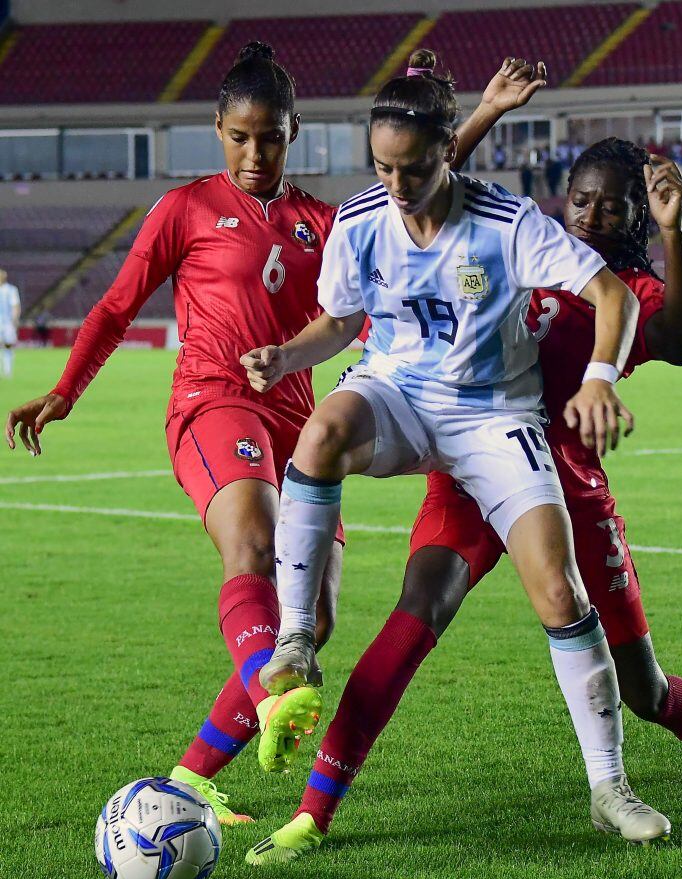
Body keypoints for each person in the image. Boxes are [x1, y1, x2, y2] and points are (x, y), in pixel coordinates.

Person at [4, 44, 550, 824]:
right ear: (218, 131)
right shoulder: (184, 208)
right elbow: (117, 306)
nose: (254, 153)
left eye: (270, 137)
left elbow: (414, 183)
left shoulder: (325, 223)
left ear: (294, 132)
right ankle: (274, 693)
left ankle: (189, 779)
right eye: (238, 136)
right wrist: (65, 389)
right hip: (213, 402)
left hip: (299, 425)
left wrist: (483, 113)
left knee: (316, 616)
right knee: (255, 551)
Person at [245, 138, 682, 865]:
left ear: (634, 213)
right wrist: (470, 115)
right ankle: (313, 812)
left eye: (612, 205)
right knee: (414, 616)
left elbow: (677, 342)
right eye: (581, 199)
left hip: (569, 490)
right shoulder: (529, 244)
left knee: (641, 686)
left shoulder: (625, 286)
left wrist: (673, 232)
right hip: (469, 467)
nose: (591, 215)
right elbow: (438, 188)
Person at [0, 269, 21, 378]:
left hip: (7, 323)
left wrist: (15, 320)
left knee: (8, 346)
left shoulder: (11, 290)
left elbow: (16, 306)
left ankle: (7, 371)